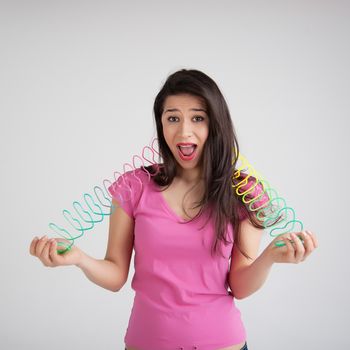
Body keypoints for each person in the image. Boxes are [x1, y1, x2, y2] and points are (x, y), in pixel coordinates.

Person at [29, 69, 318, 350]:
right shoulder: (133, 186)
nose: (184, 131)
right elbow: (116, 275)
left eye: (198, 118)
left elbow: (239, 286)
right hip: (147, 341)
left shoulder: (243, 192)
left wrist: (269, 257)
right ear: (161, 125)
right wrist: (80, 258)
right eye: (173, 118)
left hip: (223, 343)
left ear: (215, 124)